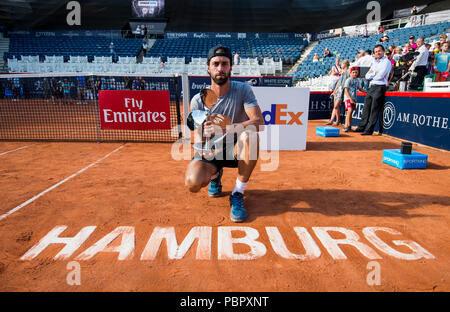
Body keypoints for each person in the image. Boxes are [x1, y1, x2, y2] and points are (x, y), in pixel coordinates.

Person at [185, 45, 264, 223]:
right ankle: (215, 176)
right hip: (212, 152)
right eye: (216, 64)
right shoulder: (198, 100)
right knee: (192, 183)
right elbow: (195, 137)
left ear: (230, 67)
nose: (220, 68)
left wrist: (227, 128)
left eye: (224, 64)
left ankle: (238, 193)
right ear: (208, 67)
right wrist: (203, 144)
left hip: (236, 150)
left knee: (251, 134)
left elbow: (259, 123)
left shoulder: (243, 90)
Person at [355, 44, 392, 136]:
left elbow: (381, 76)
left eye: (379, 51)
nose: (377, 53)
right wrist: (374, 73)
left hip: (380, 87)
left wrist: (373, 74)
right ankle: (362, 126)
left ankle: (369, 129)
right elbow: (367, 76)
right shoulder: (374, 62)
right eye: (376, 52)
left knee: (374, 109)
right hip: (371, 87)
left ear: (383, 52)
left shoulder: (386, 62)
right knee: (366, 108)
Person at [343, 66, 367, 132]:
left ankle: (348, 126)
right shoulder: (348, 80)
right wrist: (350, 98)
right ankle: (348, 126)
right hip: (348, 98)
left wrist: (367, 91)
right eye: (353, 72)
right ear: (350, 73)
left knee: (351, 112)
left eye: (356, 72)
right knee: (349, 110)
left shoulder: (357, 80)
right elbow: (346, 90)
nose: (354, 74)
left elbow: (360, 88)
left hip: (354, 98)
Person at [326, 60, 350, 126]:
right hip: (338, 90)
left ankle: (337, 120)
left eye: (342, 64)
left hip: (343, 90)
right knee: (335, 106)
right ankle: (332, 120)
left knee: (336, 106)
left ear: (345, 64)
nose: (341, 65)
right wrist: (334, 91)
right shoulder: (342, 72)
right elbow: (339, 82)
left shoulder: (348, 72)